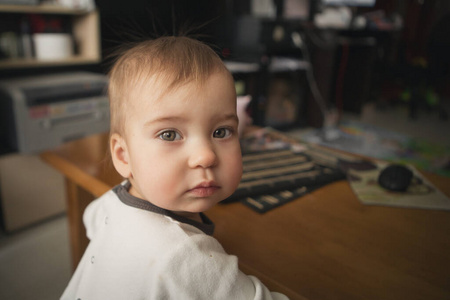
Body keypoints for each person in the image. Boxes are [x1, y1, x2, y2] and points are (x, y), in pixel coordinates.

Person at [61, 36, 288, 299]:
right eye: (169, 134)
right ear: (123, 156)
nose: (205, 156)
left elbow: (91, 218)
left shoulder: (111, 202)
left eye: (221, 131)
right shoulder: (186, 258)